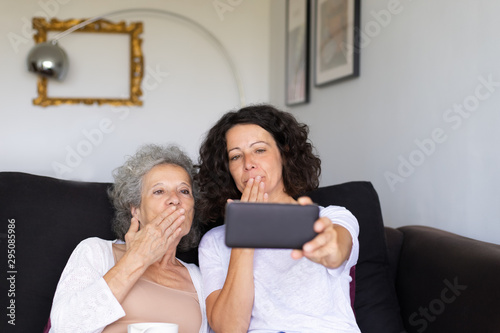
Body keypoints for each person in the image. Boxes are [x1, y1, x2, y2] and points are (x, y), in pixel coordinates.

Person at [196, 104, 360, 333]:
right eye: (235, 156)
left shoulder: (332, 217)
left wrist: (329, 248)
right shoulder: (214, 242)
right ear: (227, 171)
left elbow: (336, 252)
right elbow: (229, 329)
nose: (248, 163)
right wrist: (244, 235)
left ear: (285, 154)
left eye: (259, 150)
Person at [49, 144, 209, 333]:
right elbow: (64, 327)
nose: (175, 199)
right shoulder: (96, 252)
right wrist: (136, 259)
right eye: (159, 191)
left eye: (184, 191)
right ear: (136, 210)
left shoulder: (198, 277)